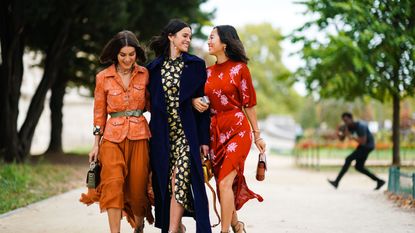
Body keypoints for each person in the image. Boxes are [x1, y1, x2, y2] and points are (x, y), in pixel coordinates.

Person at [193, 25, 266, 233]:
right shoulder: (206, 72)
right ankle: (236, 225)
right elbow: (196, 97)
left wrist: (257, 135)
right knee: (220, 183)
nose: (208, 41)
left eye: (212, 37)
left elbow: (249, 103)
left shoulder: (240, 69)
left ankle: (224, 231)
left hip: (237, 129)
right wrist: (194, 101)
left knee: (225, 182)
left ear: (224, 43)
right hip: (214, 131)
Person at [79, 30, 153, 233]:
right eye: (123, 55)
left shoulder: (145, 74)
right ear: (115, 54)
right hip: (111, 137)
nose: (128, 59)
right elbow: (99, 111)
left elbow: (153, 105)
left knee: (138, 188)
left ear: (136, 53)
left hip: (139, 135)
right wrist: (95, 143)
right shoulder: (103, 77)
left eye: (131, 54)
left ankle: (138, 226)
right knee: (113, 184)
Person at [147, 19, 212, 233]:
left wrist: (204, 140)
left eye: (190, 37)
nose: (188, 40)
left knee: (180, 178)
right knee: (166, 184)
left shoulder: (195, 65)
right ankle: (177, 226)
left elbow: (203, 107)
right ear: (171, 37)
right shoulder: (153, 69)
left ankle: (172, 230)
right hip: (162, 136)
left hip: (187, 134)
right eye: (184, 35)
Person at [328, 112, 385, 190]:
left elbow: (363, 141)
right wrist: (340, 134)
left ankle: (336, 182)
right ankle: (379, 181)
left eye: (346, 120)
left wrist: (351, 136)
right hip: (362, 146)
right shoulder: (347, 127)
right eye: (344, 121)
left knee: (348, 159)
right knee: (359, 167)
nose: (345, 122)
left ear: (351, 119)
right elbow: (342, 139)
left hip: (368, 146)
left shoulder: (361, 126)